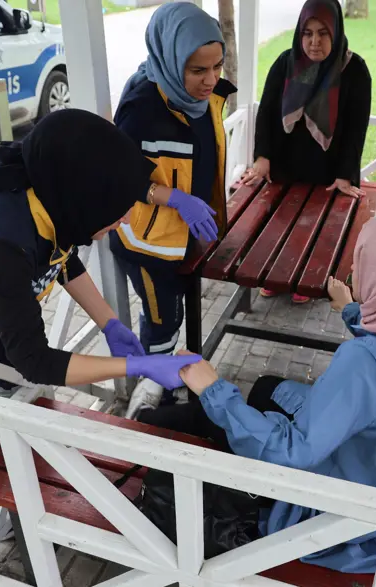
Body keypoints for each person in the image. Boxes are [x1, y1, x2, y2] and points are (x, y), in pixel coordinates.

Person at [141, 218, 376, 573]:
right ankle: (160, 424)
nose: (354, 271)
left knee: (208, 413)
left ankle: (141, 428)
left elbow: (294, 453)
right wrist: (350, 309)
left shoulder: (364, 362)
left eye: (364, 264)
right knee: (266, 387)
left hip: (331, 515)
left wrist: (212, 388)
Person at [0, 109, 200, 437]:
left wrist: (109, 323)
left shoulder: (49, 188)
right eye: (118, 207)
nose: (125, 219)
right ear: (86, 202)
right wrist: (138, 365)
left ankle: (10, 416)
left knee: (12, 378)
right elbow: (35, 361)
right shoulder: (0, 240)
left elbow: (61, 256)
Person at [109, 2, 234, 407]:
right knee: (161, 318)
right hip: (147, 243)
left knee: (172, 311)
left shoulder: (204, 98)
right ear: (170, 58)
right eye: (198, 70)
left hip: (183, 234)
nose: (211, 80)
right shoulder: (143, 106)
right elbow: (119, 177)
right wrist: (176, 199)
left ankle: (165, 377)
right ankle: (151, 397)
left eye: (217, 67)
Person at [244, 0, 372, 304]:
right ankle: (275, 274)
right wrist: (262, 158)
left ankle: (306, 278)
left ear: (336, 32)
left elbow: (356, 128)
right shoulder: (286, 63)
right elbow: (267, 113)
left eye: (323, 33)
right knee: (278, 221)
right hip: (284, 164)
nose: (314, 42)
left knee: (319, 228)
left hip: (327, 169)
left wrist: (345, 175)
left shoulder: (354, 70)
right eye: (308, 33)